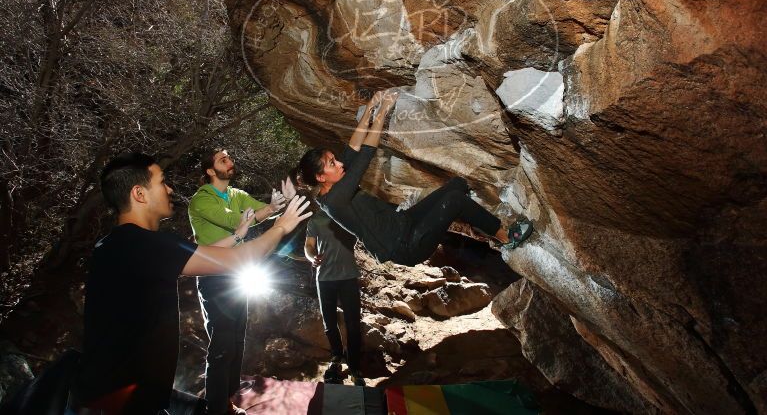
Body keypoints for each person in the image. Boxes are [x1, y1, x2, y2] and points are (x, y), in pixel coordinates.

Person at [70, 153, 311, 415]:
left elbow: (201, 253)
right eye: (162, 182)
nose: (170, 189)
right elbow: (239, 259)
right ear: (140, 194)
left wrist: (239, 234)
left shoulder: (118, 244)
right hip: (121, 401)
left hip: (106, 391)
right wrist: (282, 227)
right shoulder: (147, 244)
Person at [295, 90, 533, 267]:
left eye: (333, 159)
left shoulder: (334, 182)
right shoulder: (334, 200)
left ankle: (480, 224)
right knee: (454, 201)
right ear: (320, 177)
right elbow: (365, 154)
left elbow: (352, 149)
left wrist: (370, 107)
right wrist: (383, 112)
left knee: (458, 186)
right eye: (331, 164)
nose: (339, 164)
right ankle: (505, 237)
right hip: (405, 246)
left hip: (405, 222)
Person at [188, 148, 292, 415]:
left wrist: (278, 205)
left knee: (237, 338)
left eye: (230, 158)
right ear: (211, 171)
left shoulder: (237, 194)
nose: (230, 162)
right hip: (213, 276)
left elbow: (260, 211)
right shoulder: (201, 200)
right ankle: (216, 409)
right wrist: (268, 210)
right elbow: (235, 221)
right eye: (223, 160)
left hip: (237, 274)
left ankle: (226, 401)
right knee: (222, 344)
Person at [304, 210, 364, 386]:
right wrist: (312, 257)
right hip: (324, 278)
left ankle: (354, 366)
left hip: (349, 277)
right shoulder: (316, 220)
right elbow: (308, 246)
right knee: (329, 323)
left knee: (353, 323)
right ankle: (337, 356)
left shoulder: (349, 216)